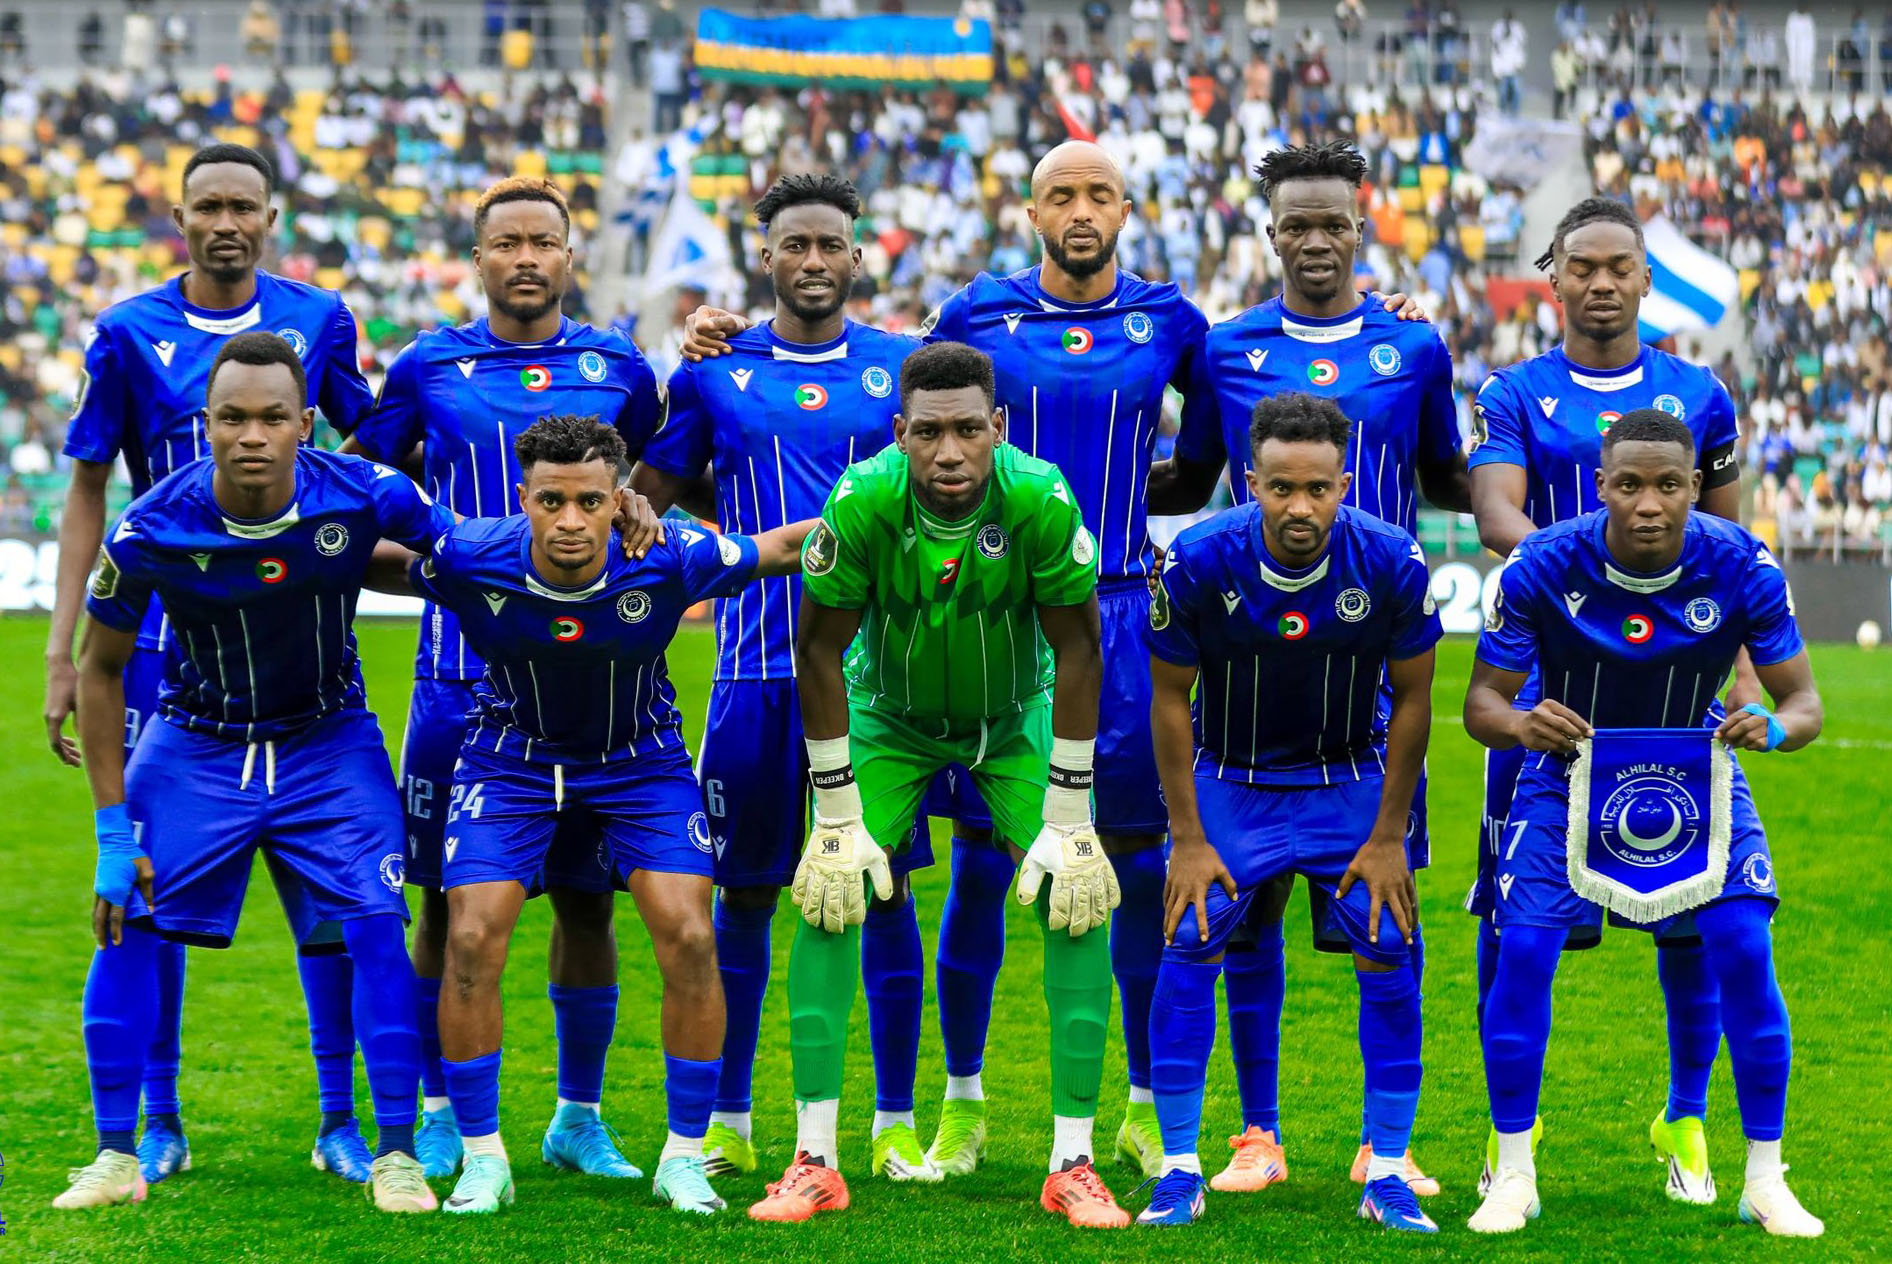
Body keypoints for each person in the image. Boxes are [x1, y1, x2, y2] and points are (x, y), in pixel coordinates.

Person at [680, 143, 1213, 1181]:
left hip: (1098, 611)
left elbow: (1204, 454)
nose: (1080, 210)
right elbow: (913, 401)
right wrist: (717, 338)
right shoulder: (970, 313)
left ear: (1127, 207)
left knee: (1124, 865)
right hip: (953, 621)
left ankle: (1144, 1111)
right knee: (960, 869)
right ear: (1030, 210)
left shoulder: (1172, 318)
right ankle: (954, 1106)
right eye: (1060, 193)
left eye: (1099, 193)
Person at [376, 414, 815, 1215]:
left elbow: (781, 548)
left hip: (640, 764)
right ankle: (483, 1158)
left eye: (589, 501)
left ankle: (682, 1158)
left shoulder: (668, 555)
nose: (570, 521)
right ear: (524, 499)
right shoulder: (473, 553)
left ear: (621, 500)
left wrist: (891, 512)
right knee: (469, 936)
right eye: (551, 501)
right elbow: (374, 555)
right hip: (508, 761)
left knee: (691, 935)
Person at [46, 141, 377, 1188]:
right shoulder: (126, 332)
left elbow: (371, 444)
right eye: (208, 207)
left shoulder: (320, 319)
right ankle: (157, 1120)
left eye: (244, 206)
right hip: (155, 646)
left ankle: (340, 1121)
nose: (226, 223)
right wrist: (61, 648)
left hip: (292, 635)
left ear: (271, 219)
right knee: (147, 885)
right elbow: (89, 487)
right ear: (180, 217)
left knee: (328, 888)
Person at [57, 332, 446, 1212]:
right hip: (194, 744)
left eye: (273, 417)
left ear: (306, 424)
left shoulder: (367, 491)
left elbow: (463, 552)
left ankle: (393, 1154)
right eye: (232, 417)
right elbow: (100, 670)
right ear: (206, 425)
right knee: (124, 920)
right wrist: (113, 834)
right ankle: (118, 1155)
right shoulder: (151, 524)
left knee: (376, 925)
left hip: (328, 740)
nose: (252, 435)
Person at [1146, 139, 1462, 1196]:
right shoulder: (1224, 347)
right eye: (1297, 224)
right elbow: (1190, 473)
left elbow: (1448, 475)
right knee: (1242, 920)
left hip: (1369, 657)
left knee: (1385, 915)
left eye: (1333, 223)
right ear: (1270, 231)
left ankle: (1385, 1146)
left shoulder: (1413, 344)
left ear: (1361, 228)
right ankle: (1257, 1133)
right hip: (1249, 658)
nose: (1316, 240)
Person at [749, 342, 1125, 1227]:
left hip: (1016, 716)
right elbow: (817, 650)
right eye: (928, 433)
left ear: (999, 426)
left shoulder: (1040, 497)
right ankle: (814, 1160)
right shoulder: (861, 499)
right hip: (889, 718)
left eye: (967, 430)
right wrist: (834, 811)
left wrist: (1071, 811)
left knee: (1077, 894)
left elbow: (1079, 650)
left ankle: (1071, 1164)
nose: (948, 452)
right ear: (899, 433)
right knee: (830, 892)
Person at [345, 176, 666, 1183]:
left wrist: (642, 515)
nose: (527, 258)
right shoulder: (427, 365)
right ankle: (441, 1109)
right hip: (455, 681)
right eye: (507, 243)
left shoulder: (620, 366)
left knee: (586, 902)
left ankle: (579, 1116)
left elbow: (656, 482)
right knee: (445, 905)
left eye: (544, 242)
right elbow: (361, 487)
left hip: (592, 689)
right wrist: (431, 568)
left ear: (571, 255)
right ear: (478, 257)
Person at [629, 174, 940, 1183]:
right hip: (753, 673)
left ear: (856, 255)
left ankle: (893, 1121)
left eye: (829, 244)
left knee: (883, 891)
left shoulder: (900, 369)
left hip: (876, 683)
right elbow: (645, 500)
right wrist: (726, 544)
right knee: (747, 898)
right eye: (794, 245)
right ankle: (728, 1118)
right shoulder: (717, 374)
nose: (813, 261)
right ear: (764, 256)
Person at [1464, 410, 1825, 1238]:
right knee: (1524, 950)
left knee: (1743, 945)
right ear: (1602, 486)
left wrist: (1774, 727)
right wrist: (1519, 722)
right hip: (1567, 774)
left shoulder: (1742, 565)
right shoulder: (1541, 563)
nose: (1649, 503)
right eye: (1629, 484)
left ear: (1696, 487)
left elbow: (1804, 702)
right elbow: (1482, 702)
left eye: (1668, 485)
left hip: (1697, 771)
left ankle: (1765, 1179)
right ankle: (1513, 1172)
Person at [1467, 197, 1746, 1202]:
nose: (1598, 283)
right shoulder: (1513, 391)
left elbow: (1729, 539)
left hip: (1670, 689)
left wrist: (1737, 663)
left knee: (1690, 916)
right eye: (1579, 266)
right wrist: (1585, 573)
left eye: (1616, 266)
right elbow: (1494, 511)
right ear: (1553, 278)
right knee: (1513, 923)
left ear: (1642, 278)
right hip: (1545, 685)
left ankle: (1684, 1118)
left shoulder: (1698, 393)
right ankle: (1513, 1134)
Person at [1140, 393, 1440, 1232]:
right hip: (1232, 780)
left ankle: (1386, 1168)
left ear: (1344, 484)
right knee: (1190, 938)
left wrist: (1390, 835)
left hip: (1350, 780)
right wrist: (1187, 837)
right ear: (1251, 482)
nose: (1299, 507)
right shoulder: (1199, 559)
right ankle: (1179, 1169)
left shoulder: (1392, 559)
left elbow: (1416, 700)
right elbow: (1167, 700)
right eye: (1280, 489)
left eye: (1316, 489)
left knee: (1390, 945)